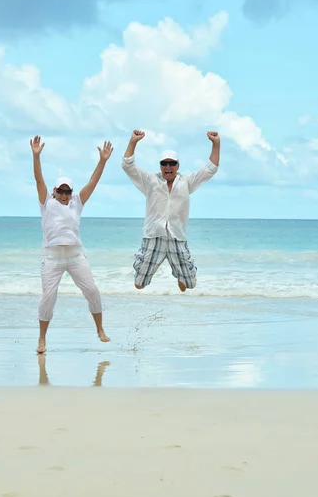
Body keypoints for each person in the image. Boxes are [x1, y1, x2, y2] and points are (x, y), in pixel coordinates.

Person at [30, 135, 113, 353]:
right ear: (55, 191)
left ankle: (100, 329)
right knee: (49, 297)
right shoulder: (46, 202)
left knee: (92, 291)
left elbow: (93, 182)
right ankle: (42, 339)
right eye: (61, 191)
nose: (65, 195)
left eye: (68, 191)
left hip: (76, 256)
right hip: (52, 257)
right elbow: (39, 180)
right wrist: (36, 156)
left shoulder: (77, 203)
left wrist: (102, 161)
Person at [122, 130, 220, 291]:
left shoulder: (186, 182)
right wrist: (133, 142)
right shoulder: (150, 181)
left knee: (190, 285)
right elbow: (127, 166)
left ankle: (180, 274)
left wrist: (216, 143)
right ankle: (142, 262)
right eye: (164, 164)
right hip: (154, 236)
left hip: (177, 237)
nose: (168, 167)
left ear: (177, 166)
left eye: (172, 164)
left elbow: (211, 169)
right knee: (139, 285)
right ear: (160, 166)